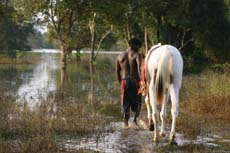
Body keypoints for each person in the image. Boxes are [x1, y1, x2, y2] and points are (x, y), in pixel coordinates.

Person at [115, 38, 143, 128]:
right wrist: (142, 82)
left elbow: (117, 72)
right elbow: (139, 70)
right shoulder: (137, 55)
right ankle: (135, 120)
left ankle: (126, 125)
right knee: (138, 102)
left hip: (124, 81)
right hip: (135, 81)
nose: (139, 48)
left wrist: (121, 83)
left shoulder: (119, 56)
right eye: (138, 46)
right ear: (133, 45)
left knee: (125, 104)